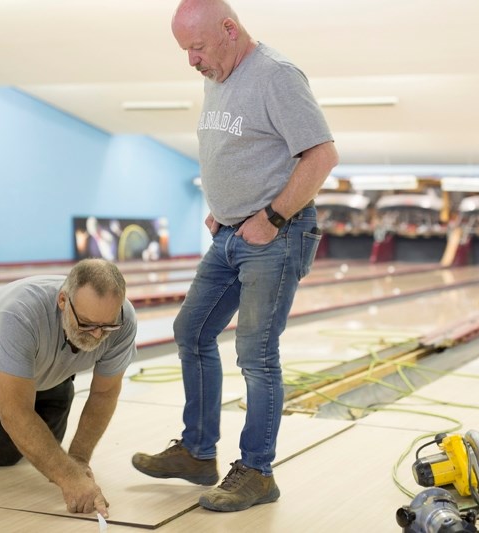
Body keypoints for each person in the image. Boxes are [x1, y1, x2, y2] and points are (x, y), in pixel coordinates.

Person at [132, 0, 338, 513]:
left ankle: (257, 472)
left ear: (230, 29)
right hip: (229, 232)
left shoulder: (276, 75)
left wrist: (270, 216)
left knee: (256, 354)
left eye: (197, 48)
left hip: (275, 235)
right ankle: (198, 453)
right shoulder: (217, 74)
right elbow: (237, 149)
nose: (192, 61)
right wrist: (220, 207)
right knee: (192, 331)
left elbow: (322, 155)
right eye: (186, 51)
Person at [0, 258, 137, 518]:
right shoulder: (17, 315)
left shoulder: (124, 321)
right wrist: (69, 478)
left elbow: (104, 393)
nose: (97, 335)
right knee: (3, 452)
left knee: (49, 445)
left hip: (41, 364)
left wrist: (78, 460)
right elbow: (16, 413)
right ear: (63, 302)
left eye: (107, 325)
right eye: (87, 323)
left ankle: (28, 385)